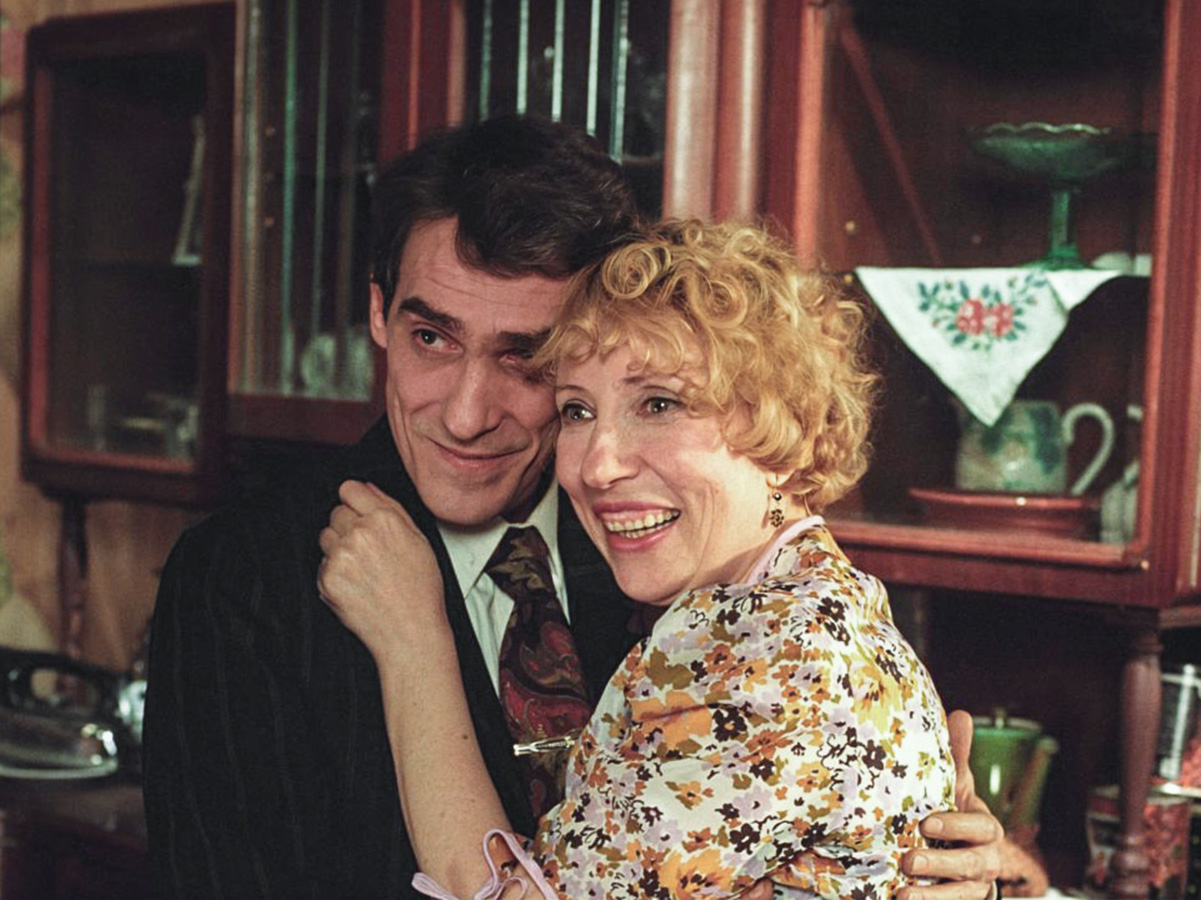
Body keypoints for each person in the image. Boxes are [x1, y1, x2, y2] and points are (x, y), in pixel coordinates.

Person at [143, 116, 1001, 899]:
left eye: (525, 359)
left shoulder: (677, 552)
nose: (466, 414)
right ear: (378, 313)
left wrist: (939, 874)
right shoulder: (244, 579)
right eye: (431, 337)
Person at [318, 219, 961, 898]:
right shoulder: (805, 608)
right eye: (576, 411)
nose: (597, 466)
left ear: (788, 428)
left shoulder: (780, 661)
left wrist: (413, 645)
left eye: (659, 403)